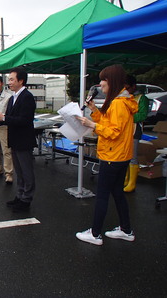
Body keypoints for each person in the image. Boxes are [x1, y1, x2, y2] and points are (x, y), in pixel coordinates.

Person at [75, 64, 138, 246]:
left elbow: (113, 132)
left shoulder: (118, 103)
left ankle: (95, 233)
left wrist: (92, 124)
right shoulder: (121, 101)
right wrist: (94, 111)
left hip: (113, 156)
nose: (101, 84)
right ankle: (126, 229)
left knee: (102, 194)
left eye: (104, 80)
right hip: (121, 155)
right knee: (117, 192)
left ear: (113, 81)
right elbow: (109, 123)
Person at [0, 67, 36, 212]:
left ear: (21, 81)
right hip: (14, 139)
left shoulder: (27, 97)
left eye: (12, 79)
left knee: (27, 172)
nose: (9, 82)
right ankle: (20, 195)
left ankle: (26, 199)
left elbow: (25, 120)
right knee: (19, 172)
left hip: (23, 140)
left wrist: (3, 118)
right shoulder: (13, 97)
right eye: (9, 79)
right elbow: (10, 119)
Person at [124, 74, 149, 192]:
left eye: (128, 87)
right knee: (125, 156)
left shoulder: (141, 98)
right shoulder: (124, 97)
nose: (126, 90)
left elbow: (142, 115)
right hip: (124, 130)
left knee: (132, 156)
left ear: (133, 86)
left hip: (135, 131)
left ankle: (132, 183)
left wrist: (127, 117)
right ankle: (126, 178)